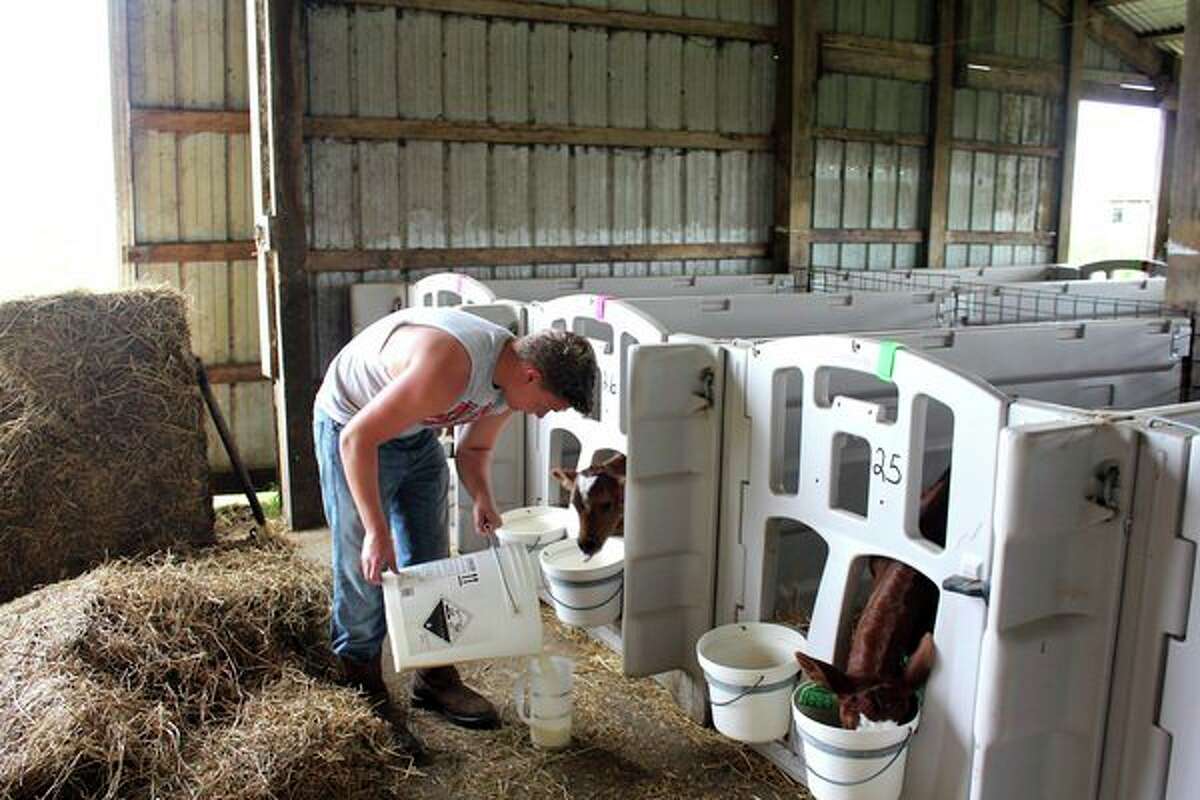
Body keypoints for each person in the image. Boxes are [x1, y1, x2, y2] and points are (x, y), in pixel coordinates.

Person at [312, 305, 598, 761]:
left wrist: (483, 496)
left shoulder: (509, 385)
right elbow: (357, 441)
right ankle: (362, 690)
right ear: (530, 375)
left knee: (430, 561)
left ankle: (433, 674)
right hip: (352, 425)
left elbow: (474, 447)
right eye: (548, 405)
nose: (543, 416)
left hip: (414, 431)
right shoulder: (451, 364)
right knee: (364, 565)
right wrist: (374, 530)